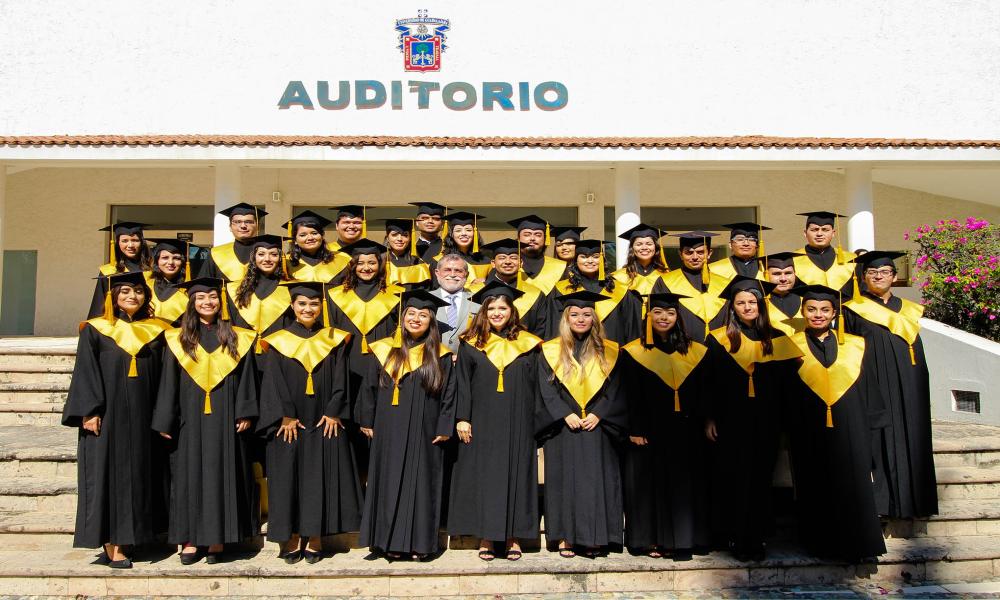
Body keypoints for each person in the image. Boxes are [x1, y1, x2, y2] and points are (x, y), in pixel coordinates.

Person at [64, 272, 170, 569]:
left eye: (138, 291)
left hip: (145, 417)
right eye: (125, 291)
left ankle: (136, 536)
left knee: (141, 473)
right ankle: (113, 543)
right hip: (108, 417)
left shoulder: (158, 330)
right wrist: (89, 410)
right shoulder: (96, 329)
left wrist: (165, 415)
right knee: (109, 476)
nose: (132, 296)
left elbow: (166, 376)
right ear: (112, 296)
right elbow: (86, 371)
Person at [152, 277, 259, 565]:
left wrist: (245, 411)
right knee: (188, 476)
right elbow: (169, 381)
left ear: (221, 302)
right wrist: (166, 418)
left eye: (212, 297)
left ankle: (216, 538)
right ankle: (189, 540)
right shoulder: (178, 338)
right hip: (189, 417)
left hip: (226, 416)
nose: (207, 302)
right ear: (192, 303)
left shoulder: (237, 336)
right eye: (200, 298)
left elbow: (247, 377)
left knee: (222, 474)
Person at [257, 281, 360, 564]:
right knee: (287, 478)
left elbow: (341, 378)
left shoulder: (334, 339)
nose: (308, 309)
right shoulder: (277, 341)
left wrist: (335, 410)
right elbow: (272, 381)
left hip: (323, 420)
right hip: (289, 424)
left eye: (314, 304)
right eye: (302, 304)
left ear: (321, 307)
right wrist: (285, 415)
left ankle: (314, 536)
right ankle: (291, 536)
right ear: (292, 306)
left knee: (318, 477)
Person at [785, 284, 887, 562]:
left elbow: (868, 387)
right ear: (803, 311)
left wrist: (871, 425)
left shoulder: (854, 345)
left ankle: (857, 545)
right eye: (811, 309)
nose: (818, 314)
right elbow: (784, 390)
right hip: (808, 426)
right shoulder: (790, 345)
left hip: (850, 426)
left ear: (834, 313)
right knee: (814, 483)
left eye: (824, 310)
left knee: (852, 484)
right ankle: (820, 544)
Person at [703, 276, 802, 561]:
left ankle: (756, 537)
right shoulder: (719, 339)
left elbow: (789, 388)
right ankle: (733, 535)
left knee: (761, 478)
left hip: (767, 421)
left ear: (761, 305)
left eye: (752, 302)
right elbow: (708, 383)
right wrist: (709, 418)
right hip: (730, 421)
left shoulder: (778, 340)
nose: (747, 307)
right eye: (741, 303)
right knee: (733, 477)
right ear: (732, 308)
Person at [448, 280, 543, 561]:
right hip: (482, 420)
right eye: (491, 309)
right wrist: (463, 417)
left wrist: (538, 423)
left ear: (512, 311)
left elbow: (537, 385)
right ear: (483, 313)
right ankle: (486, 537)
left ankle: (513, 536)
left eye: (503, 308)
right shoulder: (470, 343)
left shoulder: (528, 344)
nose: (497, 313)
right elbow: (462, 383)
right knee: (485, 477)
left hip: (519, 421)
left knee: (517, 475)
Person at [358, 289, 455, 560]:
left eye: (423, 315)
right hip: (388, 427)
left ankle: (419, 544)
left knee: (421, 485)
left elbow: (449, 394)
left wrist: (444, 426)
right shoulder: (382, 350)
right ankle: (385, 542)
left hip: (425, 430)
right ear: (402, 318)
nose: (416, 319)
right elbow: (368, 388)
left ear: (431, 322)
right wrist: (367, 419)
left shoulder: (441, 355)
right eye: (411, 313)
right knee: (386, 481)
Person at [844, 251, 938, 519]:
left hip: (909, 383)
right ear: (863, 277)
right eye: (872, 272)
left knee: (913, 435)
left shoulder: (909, 310)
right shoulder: (853, 310)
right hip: (873, 384)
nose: (878, 276)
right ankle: (885, 506)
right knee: (880, 438)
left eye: (885, 272)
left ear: (894, 277)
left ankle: (917, 502)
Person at [620, 292, 711, 561]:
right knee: (652, 486)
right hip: (650, 429)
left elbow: (705, 391)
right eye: (658, 312)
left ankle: (685, 539)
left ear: (677, 317)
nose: (664, 318)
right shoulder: (634, 352)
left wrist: (707, 419)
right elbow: (629, 393)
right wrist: (635, 428)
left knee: (685, 485)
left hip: (687, 428)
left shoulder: (694, 351)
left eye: (670, 313)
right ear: (648, 316)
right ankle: (654, 539)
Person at [537, 290, 627, 558]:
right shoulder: (550, 350)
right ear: (566, 318)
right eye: (574, 314)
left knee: (595, 481)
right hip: (564, 427)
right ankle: (565, 536)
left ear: (594, 319)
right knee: (563, 481)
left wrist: (600, 413)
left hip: (597, 426)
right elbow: (544, 389)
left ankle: (594, 537)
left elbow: (618, 388)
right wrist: (564, 413)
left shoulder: (611, 351)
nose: (580, 319)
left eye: (587, 314)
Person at [326, 240, 404, 478]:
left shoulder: (396, 295)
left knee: (378, 423)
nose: (366, 267)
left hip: (383, 369)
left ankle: (376, 480)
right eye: (360, 263)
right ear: (352, 265)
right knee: (349, 427)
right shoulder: (335, 295)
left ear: (380, 265)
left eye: (372, 262)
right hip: (347, 368)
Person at [550, 239, 641, 344]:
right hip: (572, 350)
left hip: (612, 350)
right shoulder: (562, 289)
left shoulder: (620, 290)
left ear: (602, 260)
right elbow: (555, 327)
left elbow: (631, 329)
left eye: (596, 257)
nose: (590, 261)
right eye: (584, 257)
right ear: (576, 261)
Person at [655, 232, 728, 342]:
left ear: (709, 253)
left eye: (700, 252)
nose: (695, 257)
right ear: (680, 254)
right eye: (689, 253)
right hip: (681, 346)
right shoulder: (665, 282)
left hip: (721, 346)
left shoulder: (724, 283)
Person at [467, 238, 549, 338]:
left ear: (521, 263)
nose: (508, 262)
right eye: (502, 258)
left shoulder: (535, 294)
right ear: (493, 263)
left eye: (513, 258)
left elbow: (541, 329)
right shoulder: (474, 291)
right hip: (482, 345)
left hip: (524, 347)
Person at [225, 235, 291, 343]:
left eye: (273, 254)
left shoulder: (290, 288)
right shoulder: (236, 289)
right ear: (254, 257)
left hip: (277, 348)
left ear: (280, 258)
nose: (267, 259)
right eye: (261, 254)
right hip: (244, 347)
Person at [87, 221, 153, 319]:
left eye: (135, 240)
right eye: (124, 241)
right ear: (117, 243)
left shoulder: (153, 271)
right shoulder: (109, 271)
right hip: (117, 324)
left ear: (142, 243)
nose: (130, 245)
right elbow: (99, 306)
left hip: (150, 322)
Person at [792, 211, 857, 296]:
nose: (819, 234)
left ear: (833, 233)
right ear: (805, 233)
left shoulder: (852, 259)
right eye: (814, 230)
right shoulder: (793, 259)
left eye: (825, 230)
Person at [199, 203, 266, 281]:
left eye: (248, 222)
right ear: (230, 227)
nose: (243, 226)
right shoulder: (216, 254)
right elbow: (203, 284)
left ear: (258, 226)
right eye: (237, 222)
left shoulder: (269, 253)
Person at [283, 210, 352, 285]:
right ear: (295, 240)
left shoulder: (341, 260)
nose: (310, 238)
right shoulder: (285, 263)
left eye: (314, 233)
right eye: (303, 235)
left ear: (322, 236)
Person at [506, 214, 568, 295]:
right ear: (518, 238)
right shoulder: (506, 265)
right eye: (527, 234)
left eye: (538, 235)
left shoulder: (559, 267)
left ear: (545, 239)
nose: (532, 238)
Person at [431, 254, 480, 353]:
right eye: (447, 270)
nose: (452, 274)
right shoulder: (426, 299)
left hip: (467, 360)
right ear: (437, 273)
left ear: (466, 274)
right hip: (434, 358)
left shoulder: (478, 301)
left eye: (458, 271)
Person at [144, 238, 195, 325]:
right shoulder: (146, 284)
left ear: (183, 262)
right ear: (157, 260)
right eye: (165, 258)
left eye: (176, 258)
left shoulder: (189, 288)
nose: (170, 262)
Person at [611, 223, 670, 296]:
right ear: (632, 248)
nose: (644, 247)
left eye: (649, 244)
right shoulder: (619, 277)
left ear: (656, 247)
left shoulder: (666, 275)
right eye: (639, 244)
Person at [432, 211, 491, 281]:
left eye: (468, 230)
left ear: (475, 233)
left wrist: (484, 283)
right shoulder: (440, 260)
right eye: (458, 230)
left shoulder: (486, 261)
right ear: (451, 235)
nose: (463, 233)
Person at [763, 251, 805, 335]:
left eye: (788, 273)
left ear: (795, 274)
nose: (783, 279)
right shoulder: (759, 303)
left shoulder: (806, 299)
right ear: (766, 275)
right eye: (777, 274)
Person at [382, 218, 432, 289]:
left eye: (405, 235)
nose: (399, 239)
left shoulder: (418, 263)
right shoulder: (379, 261)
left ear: (410, 238)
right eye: (394, 235)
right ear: (387, 238)